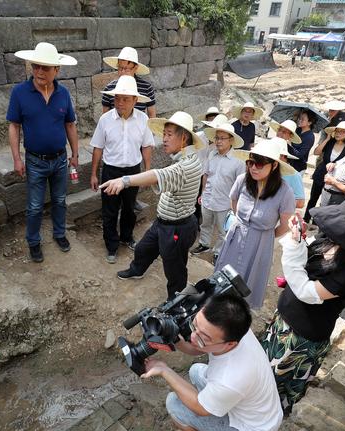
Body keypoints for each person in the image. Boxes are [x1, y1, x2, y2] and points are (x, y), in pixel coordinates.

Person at [261, 191, 345, 414]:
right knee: (262, 370)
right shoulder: (332, 239)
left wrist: (293, 249)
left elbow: (306, 291)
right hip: (283, 321)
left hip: (300, 340)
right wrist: (299, 237)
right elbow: (306, 260)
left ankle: (263, 419)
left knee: (276, 385)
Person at [141, 293, 283, 431]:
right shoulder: (234, 327)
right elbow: (196, 348)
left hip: (252, 430)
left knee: (174, 404)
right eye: (195, 325)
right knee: (196, 370)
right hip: (259, 410)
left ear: (230, 343)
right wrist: (175, 338)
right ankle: (217, 405)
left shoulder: (231, 378)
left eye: (203, 338)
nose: (193, 337)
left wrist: (164, 370)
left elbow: (200, 409)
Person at [100, 112, 205, 299]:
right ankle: (137, 270)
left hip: (177, 228)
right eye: (163, 134)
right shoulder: (182, 159)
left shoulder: (186, 166)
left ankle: (176, 301)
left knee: (174, 269)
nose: (163, 139)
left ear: (184, 138)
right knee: (142, 249)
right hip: (164, 222)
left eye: (169, 134)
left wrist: (124, 180)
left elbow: (158, 175)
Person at [7, 42, 79, 263]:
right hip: (35, 160)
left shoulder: (63, 93)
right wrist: (17, 158)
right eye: (36, 66)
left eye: (45, 68)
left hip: (59, 159)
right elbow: (14, 126)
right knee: (35, 206)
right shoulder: (20, 92)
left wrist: (75, 154)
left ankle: (59, 234)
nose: (39, 71)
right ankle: (34, 242)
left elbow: (70, 125)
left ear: (56, 70)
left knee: (59, 200)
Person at [214, 139, 296, 309]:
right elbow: (234, 203)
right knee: (225, 275)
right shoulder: (242, 180)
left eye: (259, 164)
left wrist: (266, 235)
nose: (253, 168)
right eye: (251, 162)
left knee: (247, 282)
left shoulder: (284, 191)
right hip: (236, 235)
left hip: (261, 242)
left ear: (274, 166)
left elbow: (285, 224)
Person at [90, 76, 154, 264]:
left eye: (125, 99)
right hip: (110, 171)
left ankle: (126, 237)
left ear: (135, 100)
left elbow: (147, 146)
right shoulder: (105, 120)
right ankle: (111, 245)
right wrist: (94, 173)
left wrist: (147, 172)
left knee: (129, 208)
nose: (120, 102)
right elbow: (98, 147)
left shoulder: (143, 119)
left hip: (133, 172)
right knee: (109, 210)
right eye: (117, 98)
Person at [190, 120, 246, 259]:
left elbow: (240, 185)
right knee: (205, 224)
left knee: (223, 230)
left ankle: (218, 252)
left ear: (231, 140)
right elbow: (206, 174)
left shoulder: (238, 161)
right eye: (217, 138)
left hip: (225, 202)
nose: (218, 141)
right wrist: (203, 192)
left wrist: (235, 205)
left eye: (222, 138)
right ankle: (204, 244)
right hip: (208, 197)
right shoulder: (211, 154)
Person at [304, 121, 345, 222]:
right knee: (313, 198)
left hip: (335, 177)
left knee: (325, 201)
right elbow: (316, 152)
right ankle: (306, 218)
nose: (338, 133)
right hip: (321, 172)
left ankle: (317, 221)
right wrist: (326, 139)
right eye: (337, 131)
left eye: (342, 132)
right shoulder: (330, 142)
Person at [101, 47, 156, 118]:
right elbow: (105, 117)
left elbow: (152, 115)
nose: (122, 72)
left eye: (126, 69)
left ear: (135, 68)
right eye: (120, 68)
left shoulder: (147, 88)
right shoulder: (109, 88)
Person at [273, 137, 306, 210]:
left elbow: (300, 202)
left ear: (283, 156)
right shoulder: (264, 169)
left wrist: (276, 202)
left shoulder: (294, 175)